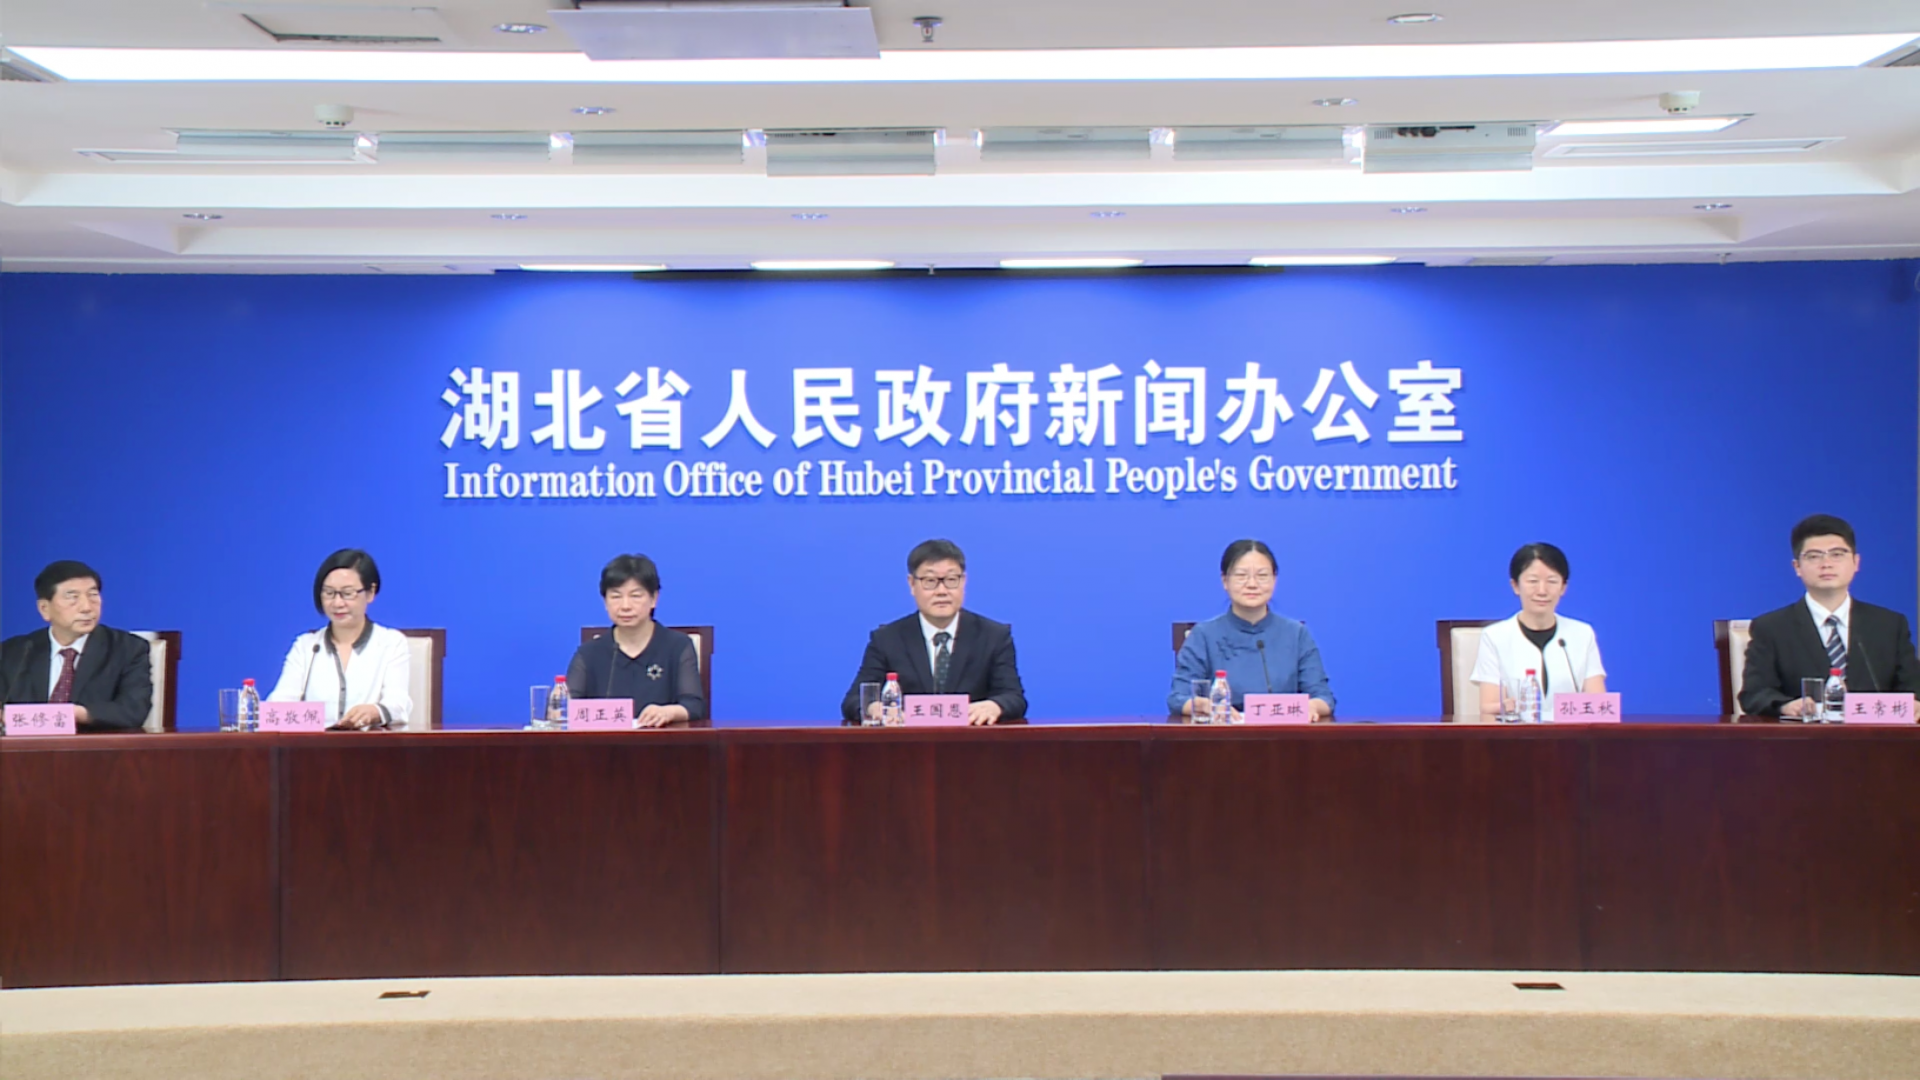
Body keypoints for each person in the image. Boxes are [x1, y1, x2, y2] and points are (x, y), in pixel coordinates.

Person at [1740, 514, 1920, 718]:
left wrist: (1915, 703)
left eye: (1837, 554)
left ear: (1856, 562)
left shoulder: (1889, 625)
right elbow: (1754, 694)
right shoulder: (1771, 627)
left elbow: (1912, 686)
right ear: (1797, 567)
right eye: (1814, 556)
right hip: (1805, 735)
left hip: (1877, 736)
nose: (1826, 564)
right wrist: (1786, 706)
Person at [840, 539, 1026, 725]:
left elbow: (1014, 697)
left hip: (972, 739)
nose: (942, 591)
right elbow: (854, 700)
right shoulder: (887, 639)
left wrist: (995, 706)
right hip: (909, 741)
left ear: (964, 582)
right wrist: (874, 708)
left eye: (951, 580)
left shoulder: (994, 636)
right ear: (912, 584)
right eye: (930, 581)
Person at [1168, 539, 1334, 720]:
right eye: (1241, 575)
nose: (1252, 584)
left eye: (1262, 576)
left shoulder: (1297, 634)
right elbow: (1178, 698)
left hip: (1283, 733)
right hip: (1224, 733)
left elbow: (1323, 697)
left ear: (1274, 580)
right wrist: (1208, 706)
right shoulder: (1203, 635)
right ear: (1225, 581)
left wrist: (1311, 707)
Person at [0, 560, 152, 732]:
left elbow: (133, 710)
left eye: (93, 595)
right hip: (27, 747)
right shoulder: (15, 652)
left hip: (94, 746)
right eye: (72, 597)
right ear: (44, 609)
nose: (87, 607)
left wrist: (74, 714)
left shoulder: (128, 649)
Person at [267, 549, 411, 730]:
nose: (337, 603)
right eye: (329, 593)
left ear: (370, 592)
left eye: (348, 593)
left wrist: (375, 711)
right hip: (315, 746)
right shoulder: (307, 647)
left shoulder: (391, 643)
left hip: (371, 744)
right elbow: (277, 708)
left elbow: (398, 704)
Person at [564, 554, 706, 727]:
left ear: (654, 599)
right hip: (605, 743)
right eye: (616, 596)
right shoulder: (588, 653)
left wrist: (668, 712)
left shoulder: (678, 646)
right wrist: (557, 709)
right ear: (605, 602)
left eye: (635, 596)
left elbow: (694, 705)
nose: (625, 606)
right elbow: (568, 707)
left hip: (661, 740)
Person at [1470, 542, 1606, 717]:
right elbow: (1489, 711)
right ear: (1515, 586)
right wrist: (1510, 707)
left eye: (1552, 581)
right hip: (1516, 733)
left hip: (1570, 734)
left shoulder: (1582, 634)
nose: (1542, 591)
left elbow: (1599, 707)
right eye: (1533, 581)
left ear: (1563, 588)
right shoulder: (1495, 637)